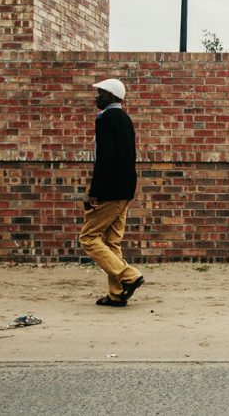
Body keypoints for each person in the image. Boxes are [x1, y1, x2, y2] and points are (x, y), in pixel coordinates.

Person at [80, 78, 144, 307]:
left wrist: (94, 192)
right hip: (126, 188)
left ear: (112, 96)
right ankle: (117, 294)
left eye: (100, 93)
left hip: (111, 191)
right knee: (112, 242)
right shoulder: (125, 119)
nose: (96, 97)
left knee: (88, 237)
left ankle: (129, 276)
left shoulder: (105, 119)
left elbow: (105, 159)